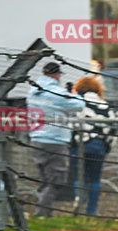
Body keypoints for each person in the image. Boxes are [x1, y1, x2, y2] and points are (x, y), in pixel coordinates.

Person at [26, 62, 85, 217]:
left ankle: (46, 214)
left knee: (46, 180)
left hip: (36, 138)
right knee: (57, 180)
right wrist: (73, 93)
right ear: (56, 75)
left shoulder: (33, 91)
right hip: (55, 140)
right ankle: (42, 213)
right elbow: (79, 105)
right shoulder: (56, 92)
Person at [69, 77, 116, 216]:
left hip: (79, 144)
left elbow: (71, 125)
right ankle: (92, 211)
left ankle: (79, 199)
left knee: (79, 176)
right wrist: (107, 147)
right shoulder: (105, 105)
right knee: (95, 179)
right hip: (99, 145)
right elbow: (112, 129)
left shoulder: (77, 103)